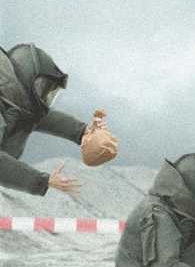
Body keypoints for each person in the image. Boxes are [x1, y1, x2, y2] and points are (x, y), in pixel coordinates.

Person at [0, 43, 112, 197]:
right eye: (43, 88)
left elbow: (45, 119)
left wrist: (84, 132)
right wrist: (43, 180)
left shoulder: (14, 104)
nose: (45, 98)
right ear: (26, 79)